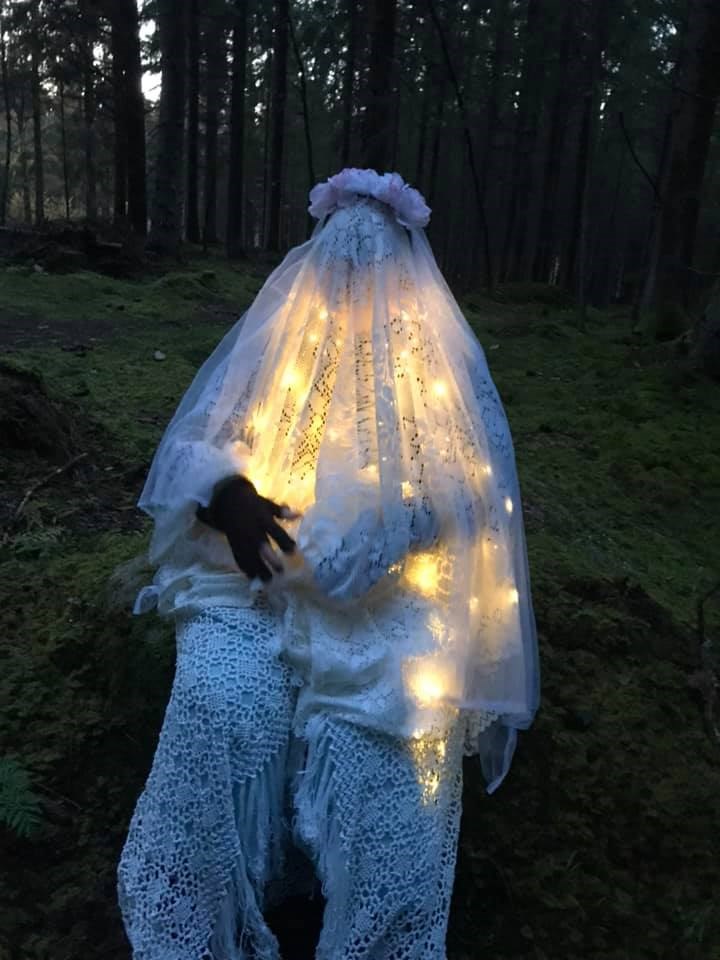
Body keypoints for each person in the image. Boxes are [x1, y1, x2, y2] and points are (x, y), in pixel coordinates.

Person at [118, 168, 540, 960]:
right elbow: (201, 441)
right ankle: (222, 894)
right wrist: (226, 491)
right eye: (338, 276)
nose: (353, 296)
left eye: (367, 277)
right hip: (262, 585)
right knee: (222, 700)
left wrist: (394, 527)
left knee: (382, 744)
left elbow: (466, 490)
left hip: (393, 601)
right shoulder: (290, 351)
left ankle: (359, 916)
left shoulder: (427, 378)